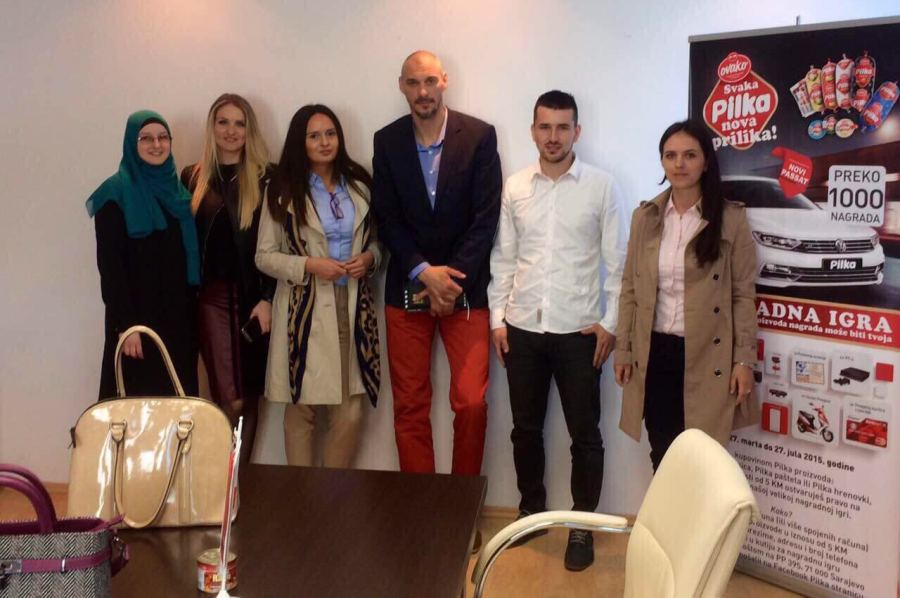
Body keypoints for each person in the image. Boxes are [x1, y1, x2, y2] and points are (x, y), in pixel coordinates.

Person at [488, 91, 626, 571]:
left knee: (585, 435)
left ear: (576, 131)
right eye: (545, 127)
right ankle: (531, 513)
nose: (553, 136)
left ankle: (581, 526)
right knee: (524, 430)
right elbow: (504, 257)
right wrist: (497, 319)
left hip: (580, 333)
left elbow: (618, 262)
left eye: (562, 127)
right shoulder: (515, 186)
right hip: (523, 328)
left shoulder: (601, 187)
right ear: (533, 131)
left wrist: (610, 324)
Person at [371, 50, 502, 479]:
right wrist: (423, 272)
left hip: (466, 289)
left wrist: (450, 282)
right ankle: (420, 507)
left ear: (444, 80)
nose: (422, 91)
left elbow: (486, 218)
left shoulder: (479, 136)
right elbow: (386, 217)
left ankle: (462, 503)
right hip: (407, 287)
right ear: (401, 86)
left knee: (471, 402)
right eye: (413, 83)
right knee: (410, 405)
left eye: (429, 81)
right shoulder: (386, 141)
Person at [614, 119, 759, 472]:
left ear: (706, 162)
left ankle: (697, 513)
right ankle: (667, 511)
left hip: (707, 354)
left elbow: (742, 295)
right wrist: (624, 349)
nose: (679, 164)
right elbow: (630, 288)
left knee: (703, 459)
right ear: (662, 162)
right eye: (671, 155)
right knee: (663, 453)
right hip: (655, 352)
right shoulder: (645, 217)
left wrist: (744, 360)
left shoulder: (731, 219)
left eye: (690, 155)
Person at [256, 104, 381, 468]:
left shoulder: (359, 186)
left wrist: (369, 258)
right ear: (301, 142)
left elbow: (378, 242)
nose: (325, 142)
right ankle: (302, 492)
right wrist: (310, 265)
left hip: (352, 305)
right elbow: (264, 255)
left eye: (330, 134)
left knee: (350, 409)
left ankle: (333, 491)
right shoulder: (282, 191)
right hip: (304, 309)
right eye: (314, 136)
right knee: (303, 408)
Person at [181, 93, 274, 464]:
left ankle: (240, 482)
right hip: (213, 300)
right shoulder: (193, 177)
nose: (232, 131)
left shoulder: (266, 177)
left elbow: (279, 242)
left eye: (240, 123)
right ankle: (219, 479)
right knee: (229, 398)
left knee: (250, 395)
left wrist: (268, 297)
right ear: (212, 127)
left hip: (255, 299)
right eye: (224, 122)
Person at [87, 110, 200, 399]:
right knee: (135, 408)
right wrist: (126, 327)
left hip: (177, 320)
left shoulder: (178, 194)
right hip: (136, 322)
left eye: (163, 137)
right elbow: (111, 268)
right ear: (130, 143)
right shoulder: (114, 194)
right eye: (146, 138)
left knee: (177, 408)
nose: (156, 144)